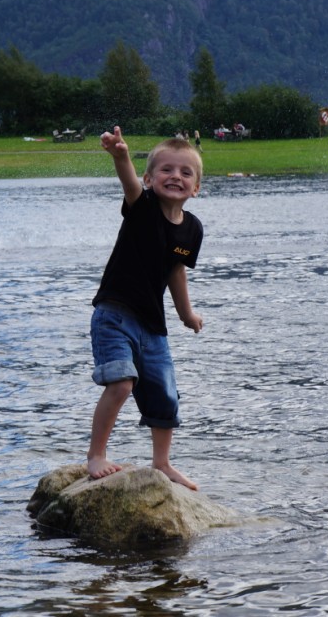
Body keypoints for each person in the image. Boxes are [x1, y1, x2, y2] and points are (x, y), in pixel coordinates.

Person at [88, 125, 205, 491]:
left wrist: (186, 314)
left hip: (153, 326)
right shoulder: (144, 207)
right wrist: (121, 155)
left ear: (196, 187)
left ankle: (162, 463)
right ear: (150, 179)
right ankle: (96, 455)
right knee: (121, 383)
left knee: (165, 395)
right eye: (166, 170)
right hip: (114, 314)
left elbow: (175, 270)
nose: (176, 176)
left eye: (186, 172)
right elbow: (128, 185)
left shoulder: (192, 229)